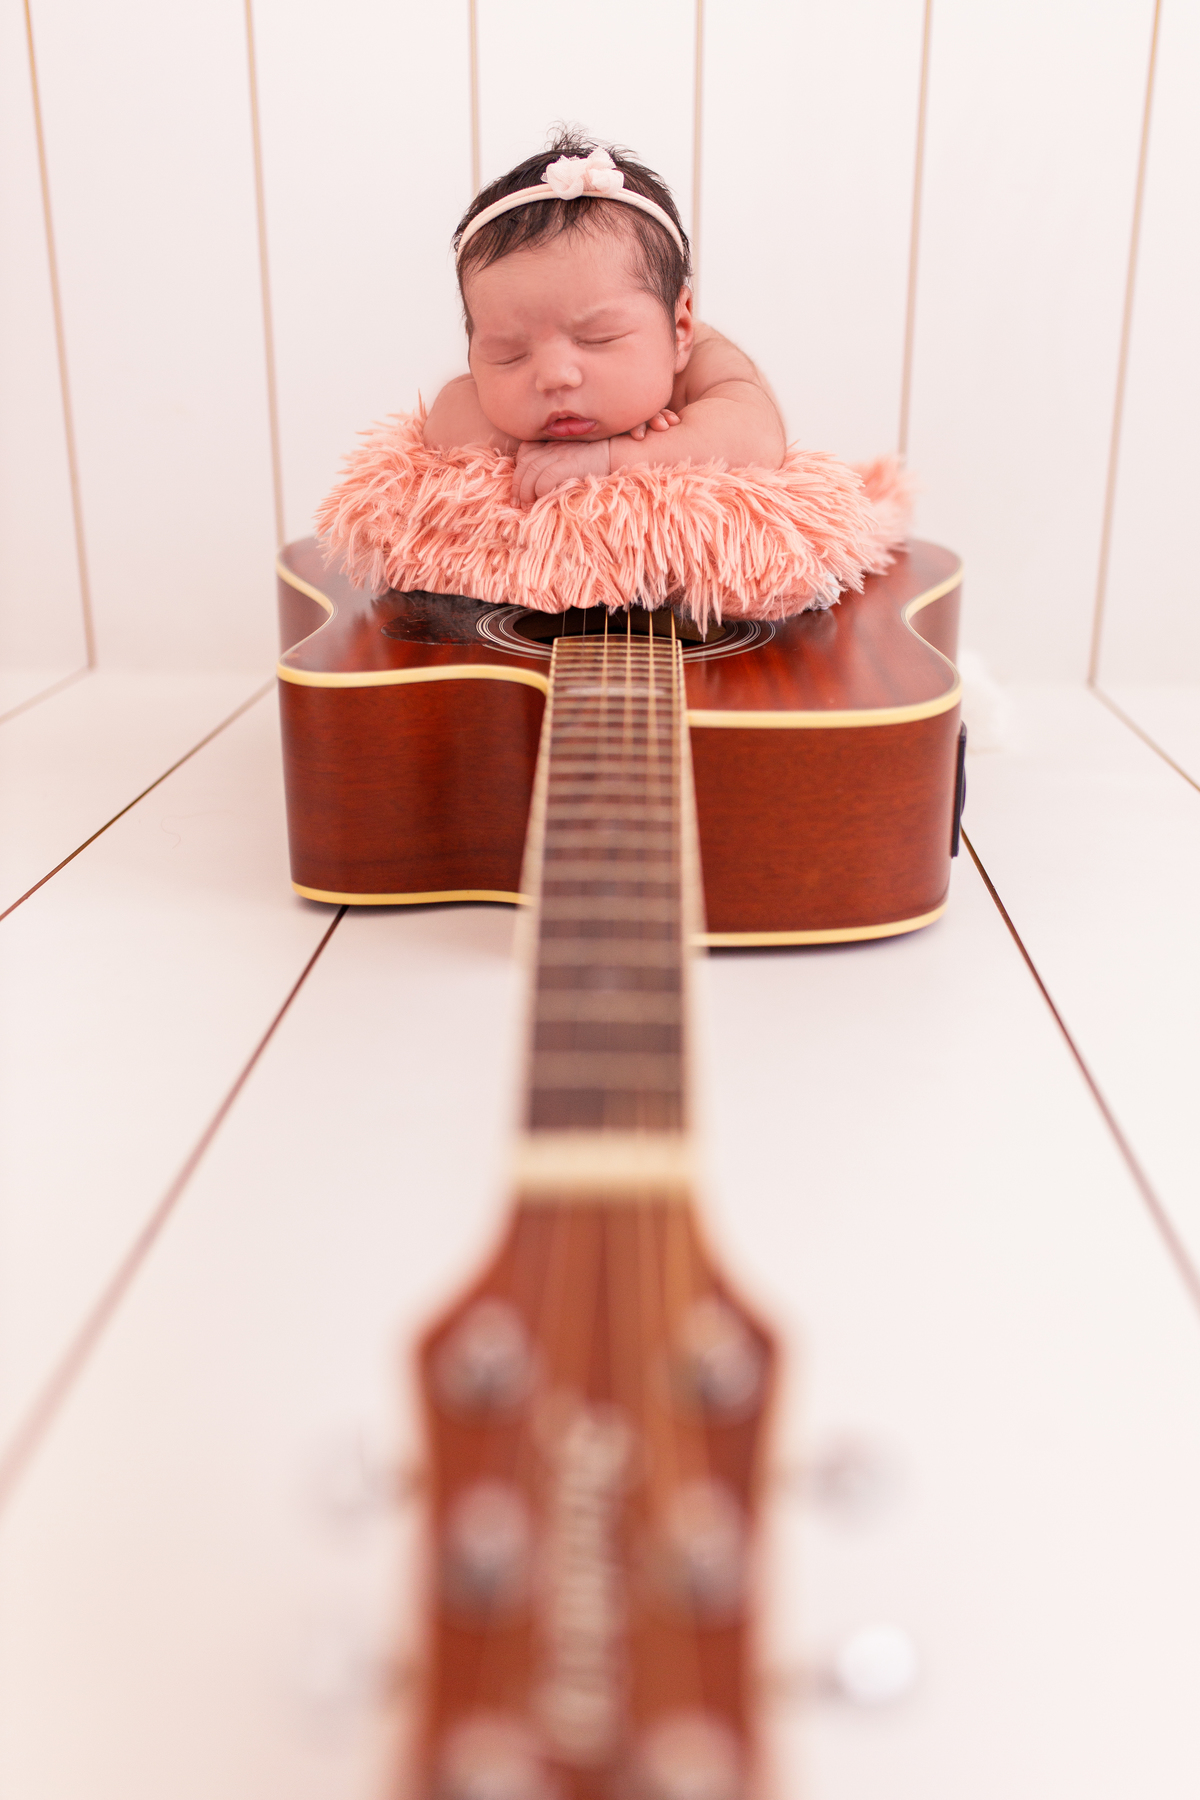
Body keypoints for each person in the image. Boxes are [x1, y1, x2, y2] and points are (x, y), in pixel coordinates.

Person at [423, 131, 786, 512]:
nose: (554, 377)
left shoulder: (704, 361)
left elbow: (757, 438)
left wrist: (608, 457)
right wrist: (540, 449)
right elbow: (445, 419)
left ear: (679, 331)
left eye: (596, 338)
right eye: (509, 353)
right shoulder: (487, 390)